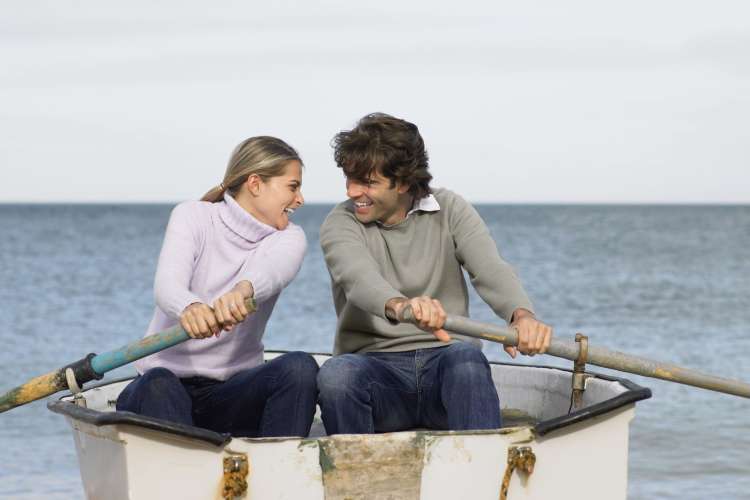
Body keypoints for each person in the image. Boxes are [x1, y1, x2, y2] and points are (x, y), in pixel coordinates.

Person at [317, 113, 553, 435]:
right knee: (337, 376)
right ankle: (353, 477)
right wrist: (402, 306)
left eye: (368, 182)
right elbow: (358, 279)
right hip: (377, 370)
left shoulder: (450, 208)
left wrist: (521, 316)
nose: (354, 192)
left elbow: (489, 268)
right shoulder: (340, 222)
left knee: (467, 361)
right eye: (350, 179)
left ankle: (482, 472)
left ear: (402, 182)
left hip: (445, 362)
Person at [117, 136, 319, 438]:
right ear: (255, 184)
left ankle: (278, 472)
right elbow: (168, 285)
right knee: (159, 383)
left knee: (300, 368)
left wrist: (242, 292)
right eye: (293, 186)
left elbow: (273, 270)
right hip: (161, 390)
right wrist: (190, 308)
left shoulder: (290, 237)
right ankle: (187, 472)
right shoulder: (192, 215)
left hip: (232, 394)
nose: (300, 199)